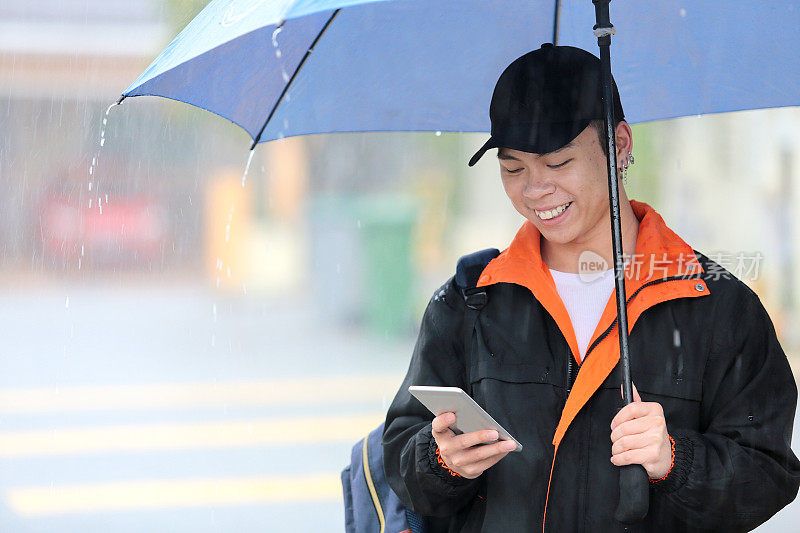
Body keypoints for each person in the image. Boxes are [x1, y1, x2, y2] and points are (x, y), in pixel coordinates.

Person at [381, 44, 800, 532]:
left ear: (619, 145)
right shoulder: (470, 302)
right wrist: (441, 461)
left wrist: (675, 462)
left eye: (558, 163)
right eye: (513, 168)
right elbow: (402, 457)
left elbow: (767, 476)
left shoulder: (715, 306)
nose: (536, 189)